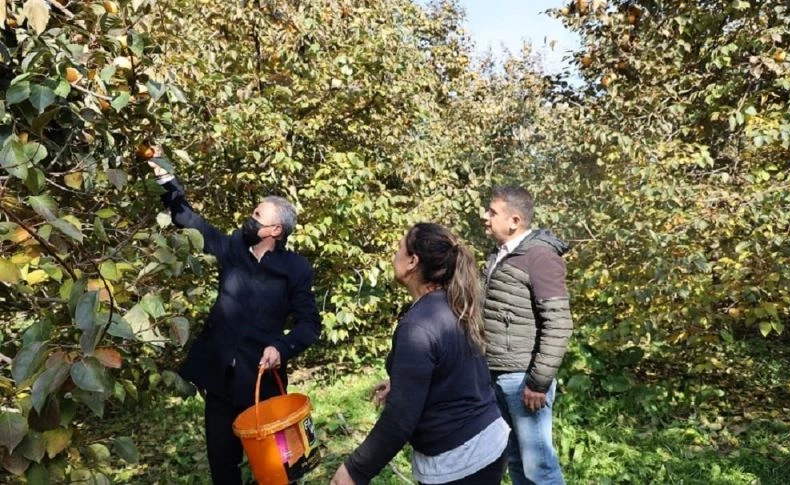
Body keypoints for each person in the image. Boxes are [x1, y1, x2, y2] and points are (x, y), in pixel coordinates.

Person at [147, 147, 321, 485]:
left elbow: (310, 324)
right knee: (222, 468)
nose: (250, 220)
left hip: (261, 384)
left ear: (275, 230)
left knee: (276, 472)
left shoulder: (295, 269)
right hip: (220, 384)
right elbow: (189, 220)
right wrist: (163, 172)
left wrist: (281, 349)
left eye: (258, 216)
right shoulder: (233, 249)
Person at [331, 223, 509, 485]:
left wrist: (354, 471)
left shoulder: (419, 325)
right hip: (488, 441)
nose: (394, 256)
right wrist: (404, 383)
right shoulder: (452, 302)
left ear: (412, 262)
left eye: (399, 249)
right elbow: (452, 369)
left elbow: (400, 419)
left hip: (460, 459)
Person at [482, 185, 573, 485]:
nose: (485, 217)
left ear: (515, 221)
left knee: (539, 468)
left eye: (492, 212)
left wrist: (538, 383)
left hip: (523, 378)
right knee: (516, 462)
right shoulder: (502, 255)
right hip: (498, 372)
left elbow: (558, 324)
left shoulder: (540, 257)